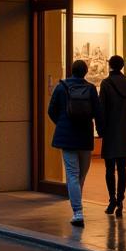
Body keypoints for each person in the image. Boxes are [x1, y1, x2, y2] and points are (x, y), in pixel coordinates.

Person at [48, 59, 103, 227]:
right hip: (85, 136)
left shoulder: (61, 87)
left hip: (67, 138)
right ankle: (77, 207)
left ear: (71, 71)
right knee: (81, 174)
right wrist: (100, 131)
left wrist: (62, 123)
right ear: (85, 72)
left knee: (72, 174)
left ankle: (78, 212)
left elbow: (52, 110)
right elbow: (98, 112)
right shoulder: (91, 89)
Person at [98, 55, 126, 217]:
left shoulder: (106, 84)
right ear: (122, 66)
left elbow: (102, 109)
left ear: (110, 65)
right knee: (122, 169)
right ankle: (121, 201)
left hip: (110, 132)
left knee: (110, 169)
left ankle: (112, 200)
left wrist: (101, 130)